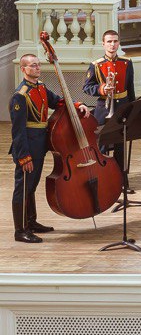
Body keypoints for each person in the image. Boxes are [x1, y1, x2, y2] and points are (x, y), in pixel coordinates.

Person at [10, 53, 89, 243]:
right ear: (23, 69)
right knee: (23, 186)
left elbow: (59, 102)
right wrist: (24, 156)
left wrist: (78, 104)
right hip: (28, 147)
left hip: (41, 143)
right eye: (32, 66)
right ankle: (20, 230)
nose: (37, 68)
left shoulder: (42, 88)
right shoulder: (20, 96)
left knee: (32, 185)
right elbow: (18, 131)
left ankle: (31, 222)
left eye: (38, 65)